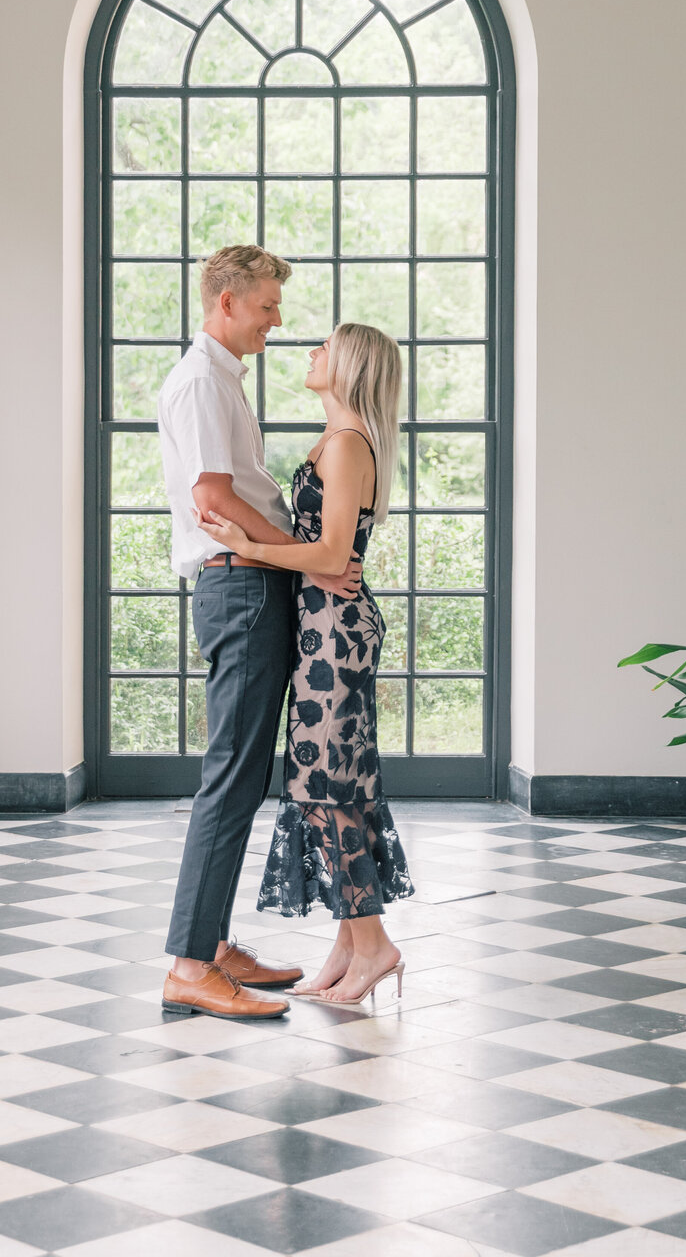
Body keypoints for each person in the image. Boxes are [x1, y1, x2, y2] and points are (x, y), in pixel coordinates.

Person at [157, 245, 363, 1022]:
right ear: (227, 302)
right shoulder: (204, 382)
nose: (277, 319)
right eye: (268, 305)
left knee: (240, 776)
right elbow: (213, 495)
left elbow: (227, 488)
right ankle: (188, 963)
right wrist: (278, 554)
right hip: (239, 588)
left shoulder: (218, 380)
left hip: (249, 583)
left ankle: (210, 946)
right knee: (233, 778)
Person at [196, 321, 413, 1006]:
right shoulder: (339, 441)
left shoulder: (348, 446)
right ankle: (350, 946)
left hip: (336, 634)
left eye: (325, 346)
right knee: (331, 785)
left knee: (324, 788)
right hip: (321, 632)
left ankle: (373, 945)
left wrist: (247, 546)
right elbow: (323, 549)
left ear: (348, 365)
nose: (312, 352)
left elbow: (328, 558)